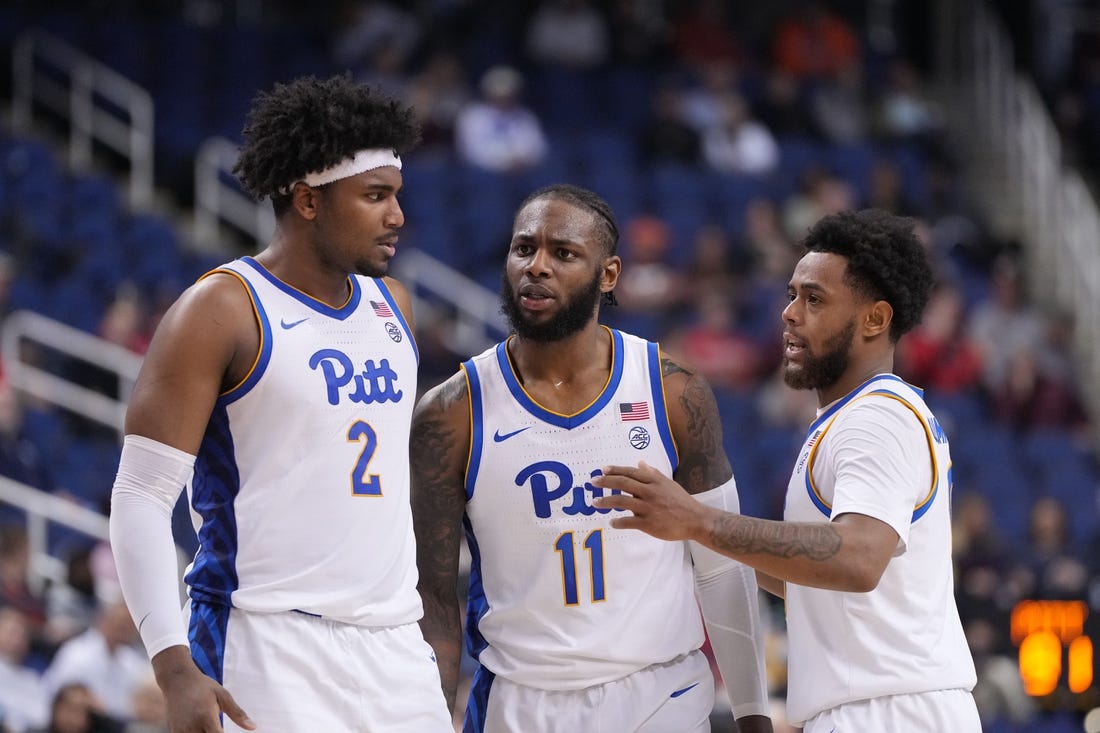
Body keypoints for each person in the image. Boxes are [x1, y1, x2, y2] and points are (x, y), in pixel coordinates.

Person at [107, 74, 452, 733]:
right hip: (264, 640)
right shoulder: (221, 308)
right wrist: (173, 665)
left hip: (394, 647)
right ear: (308, 199)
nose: (397, 216)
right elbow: (141, 496)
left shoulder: (395, 305)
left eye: (397, 195)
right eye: (375, 196)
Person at [593, 209, 982, 732]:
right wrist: (692, 544)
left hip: (889, 714)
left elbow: (857, 559)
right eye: (791, 295)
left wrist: (698, 522)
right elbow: (821, 578)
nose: (790, 314)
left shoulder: (876, 418)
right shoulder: (858, 415)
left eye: (814, 299)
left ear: (874, 319)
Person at [411, 184, 773, 732]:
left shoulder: (673, 391)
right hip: (520, 701)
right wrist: (427, 721)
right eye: (523, 248)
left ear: (608, 274)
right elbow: (433, 597)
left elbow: (720, 565)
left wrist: (752, 716)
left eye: (564, 253)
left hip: (661, 693)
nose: (537, 267)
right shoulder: (451, 411)